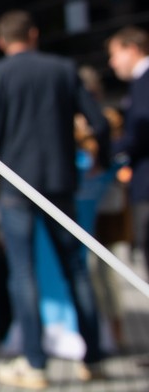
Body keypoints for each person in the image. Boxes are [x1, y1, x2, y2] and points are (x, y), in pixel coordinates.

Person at [0, 10, 107, 387]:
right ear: (35, 34)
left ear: (2, 41)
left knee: (23, 273)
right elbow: (99, 122)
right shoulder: (63, 69)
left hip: (15, 183)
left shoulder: (0, 74)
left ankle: (35, 364)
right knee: (75, 269)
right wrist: (101, 160)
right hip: (60, 181)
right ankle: (94, 358)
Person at [78, 64, 130, 350]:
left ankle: (115, 332)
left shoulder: (107, 120)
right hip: (83, 208)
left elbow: (115, 156)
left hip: (106, 206)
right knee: (91, 271)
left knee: (105, 270)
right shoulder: (76, 124)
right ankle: (99, 333)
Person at [107, 26, 149, 278]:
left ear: (132, 49)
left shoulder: (144, 81)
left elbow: (142, 128)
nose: (112, 63)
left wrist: (110, 151)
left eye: (115, 54)